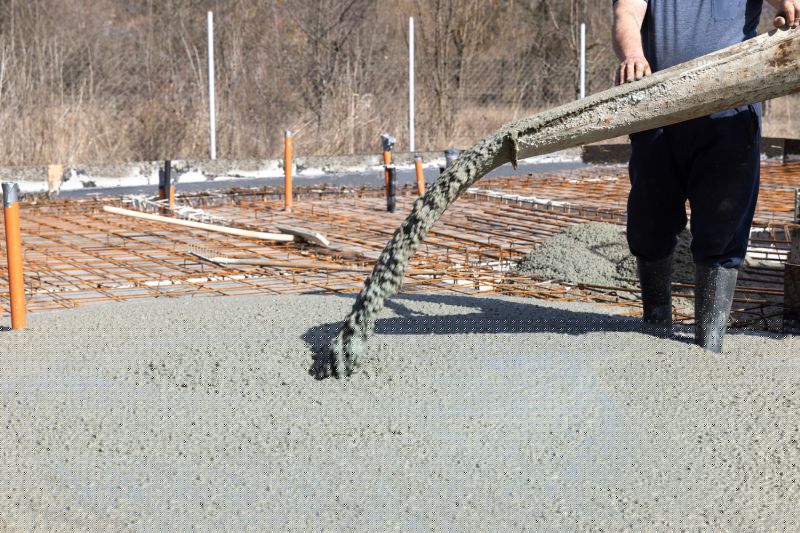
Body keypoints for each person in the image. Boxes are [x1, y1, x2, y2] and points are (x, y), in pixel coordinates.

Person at [612, 0, 800, 352]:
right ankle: (655, 322)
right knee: (649, 221)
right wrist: (632, 55)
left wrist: (791, 13)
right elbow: (626, 13)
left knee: (723, 227)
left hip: (729, 114)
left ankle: (709, 343)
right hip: (657, 107)